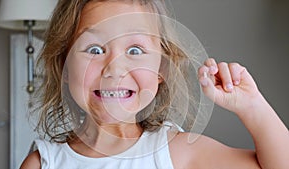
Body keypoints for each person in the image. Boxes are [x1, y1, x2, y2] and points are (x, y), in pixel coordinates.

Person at [20, 0, 289, 169]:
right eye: (94, 48)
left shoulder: (178, 153)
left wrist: (253, 107)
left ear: (161, 68)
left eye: (135, 50)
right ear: (64, 66)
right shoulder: (43, 163)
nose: (115, 68)